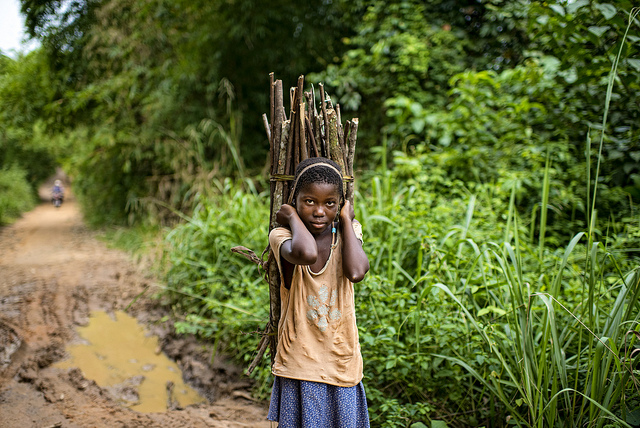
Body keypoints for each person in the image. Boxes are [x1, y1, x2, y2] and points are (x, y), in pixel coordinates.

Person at [267, 157, 371, 428]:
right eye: (309, 201)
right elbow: (306, 253)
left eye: (330, 203)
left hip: (341, 359)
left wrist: (347, 221)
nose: (319, 211)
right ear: (295, 199)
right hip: (300, 361)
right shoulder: (281, 236)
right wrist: (290, 216)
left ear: (341, 205)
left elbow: (357, 272)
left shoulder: (348, 234)